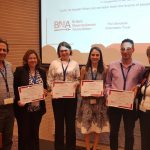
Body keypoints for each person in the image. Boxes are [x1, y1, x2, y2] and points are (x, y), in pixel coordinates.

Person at [106, 38, 144, 150]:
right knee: (113, 132)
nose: (125, 51)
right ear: (120, 50)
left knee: (129, 134)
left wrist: (137, 87)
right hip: (114, 105)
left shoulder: (140, 67)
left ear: (133, 50)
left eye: (128, 49)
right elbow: (108, 83)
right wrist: (108, 94)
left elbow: (141, 83)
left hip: (129, 105)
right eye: (123, 49)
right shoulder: (112, 65)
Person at [47, 41, 80, 150]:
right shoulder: (54, 63)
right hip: (57, 98)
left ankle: (71, 147)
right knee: (59, 123)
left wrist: (75, 84)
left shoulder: (75, 64)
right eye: (61, 51)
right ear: (59, 52)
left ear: (70, 51)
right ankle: (59, 147)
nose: (64, 52)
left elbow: (77, 79)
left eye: (66, 50)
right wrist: (53, 89)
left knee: (71, 123)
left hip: (71, 98)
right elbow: (49, 79)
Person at [13, 49, 47, 150]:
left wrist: (45, 91)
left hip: (37, 109)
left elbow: (44, 87)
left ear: (37, 59)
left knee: (35, 134)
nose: (33, 60)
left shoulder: (42, 71)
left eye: (34, 58)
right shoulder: (20, 70)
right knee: (24, 135)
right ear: (26, 59)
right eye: (30, 58)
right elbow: (15, 87)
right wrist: (18, 100)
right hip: (24, 109)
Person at [77, 47, 109, 150]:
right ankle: (87, 147)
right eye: (93, 55)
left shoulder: (105, 69)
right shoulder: (84, 69)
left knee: (97, 127)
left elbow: (106, 85)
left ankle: (94, 147)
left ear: (100, 57)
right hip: (86, 102)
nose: (95, 57)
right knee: (86, 126)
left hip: (100, 102)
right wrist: (83, 91)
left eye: (97, 55)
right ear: (90, 56)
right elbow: (80, 86)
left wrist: (102, 91)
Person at [0, 38, 14, 150]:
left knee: (8, 138)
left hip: (10, 108)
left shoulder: (9, 65)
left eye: (4, 50)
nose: (2, 52)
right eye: (0, 49)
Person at [138, 46, 150, 150]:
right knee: (145, 140)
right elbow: (141, 88)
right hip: (144, 112)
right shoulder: (146, 73)